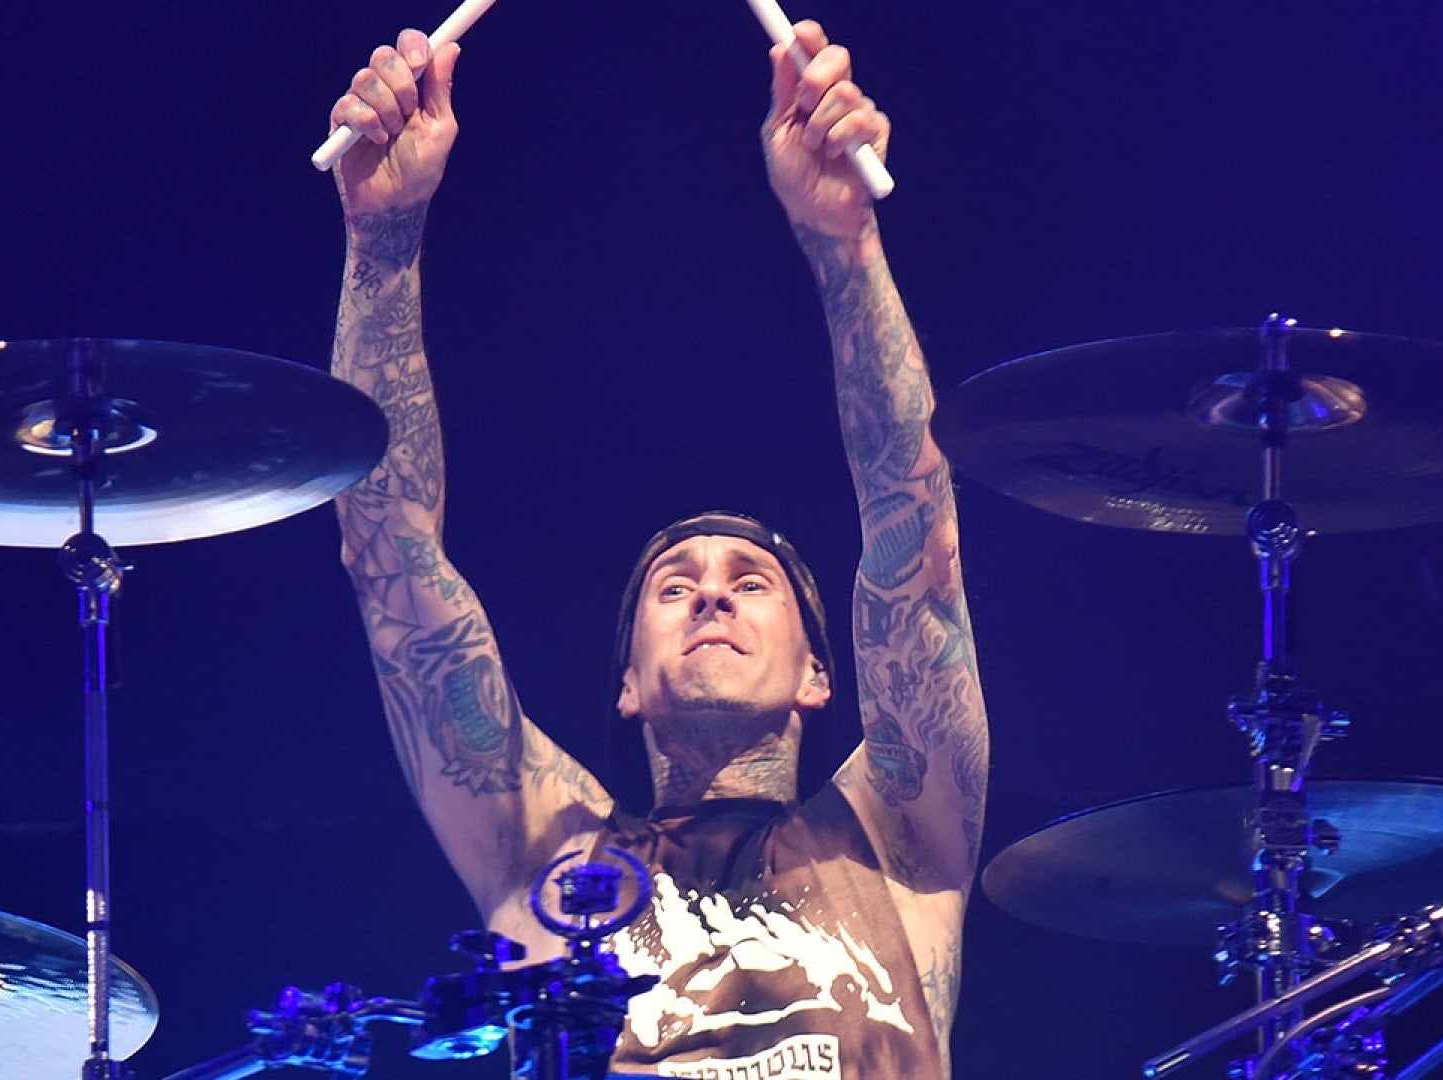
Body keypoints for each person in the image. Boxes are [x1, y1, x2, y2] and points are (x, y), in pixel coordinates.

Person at [325, 20, 987, 1078]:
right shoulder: (544, 852)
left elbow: (919, 537)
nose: (711, 597)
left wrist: (845, 243)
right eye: (674, 587)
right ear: (627, 684)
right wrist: (383, 234)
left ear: (821, 674)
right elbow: (389, 554)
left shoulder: (901, 837)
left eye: (750, 582)